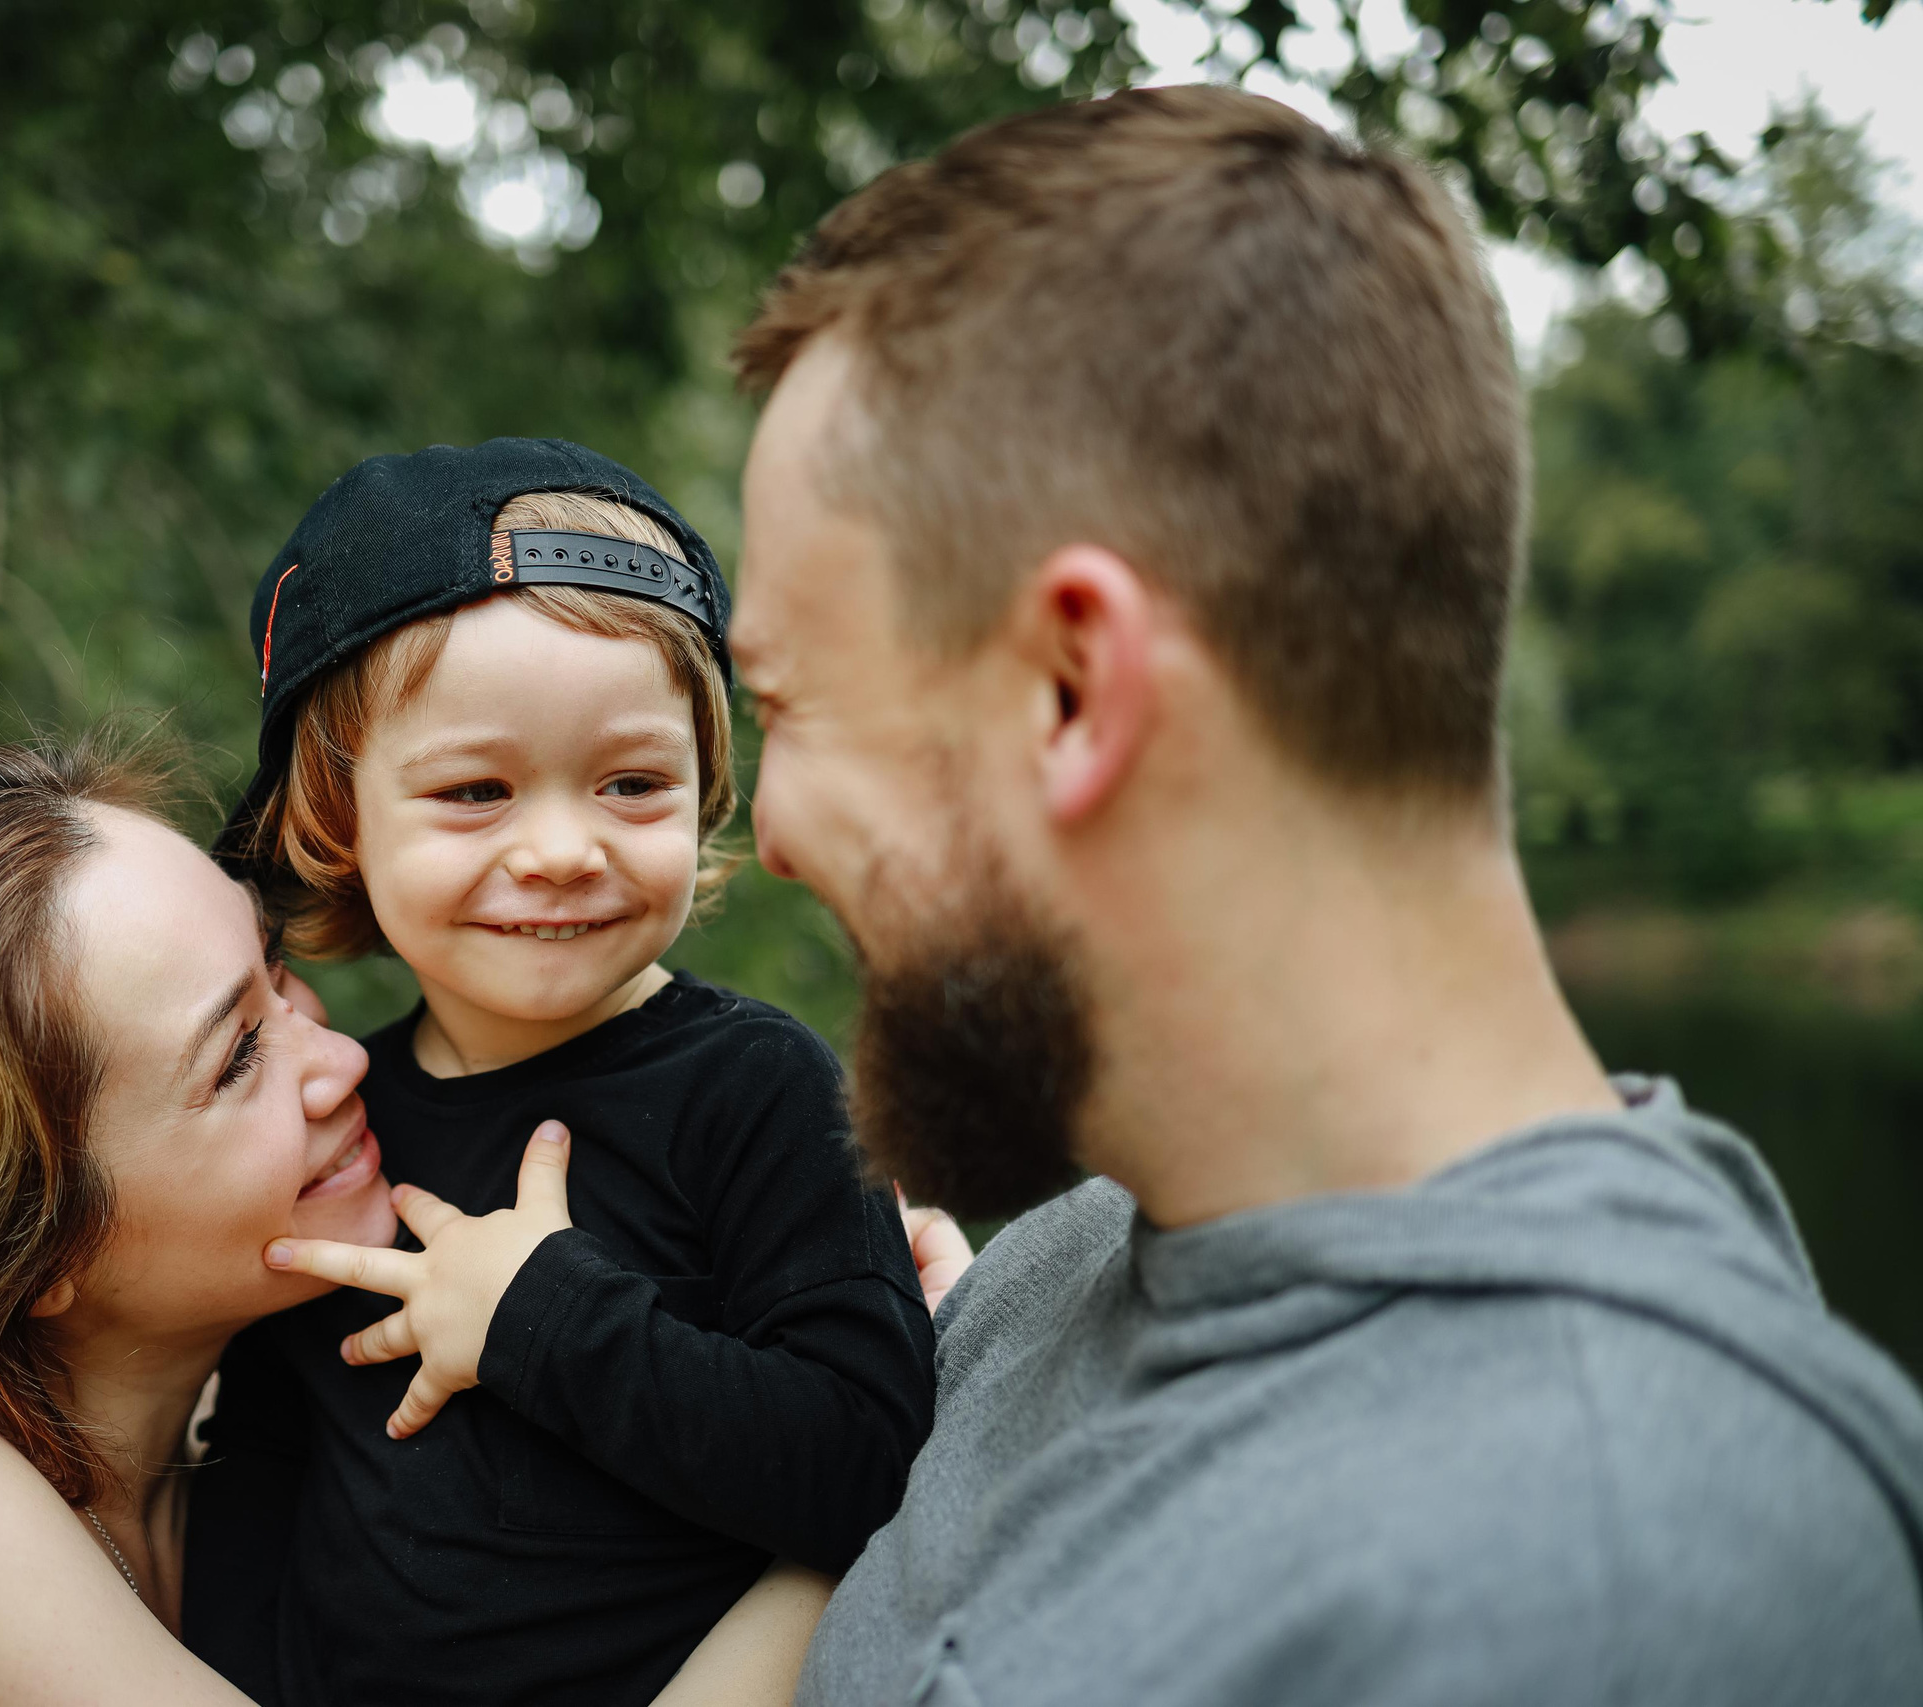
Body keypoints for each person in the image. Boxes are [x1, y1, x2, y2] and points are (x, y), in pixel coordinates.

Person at [715, 86, 1923, 1706]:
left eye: (785, 707)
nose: (768, 828)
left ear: (1075, 687)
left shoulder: (1607, 1581)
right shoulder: (1069, 1257)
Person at [0, 739, 842, 1707]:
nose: (335, 1060)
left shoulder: (253, 1435)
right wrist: (859, 1517)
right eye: (235, 1059)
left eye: (282, 979)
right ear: (26, 1242)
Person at [185, 438, 939, 1707]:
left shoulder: (761, 1092)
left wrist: (546, 1322)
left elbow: (872, 1462)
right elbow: (262, 1479)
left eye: (632, 783)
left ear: (705, 790)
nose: (559, 848)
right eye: (476, 790)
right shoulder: (335, 1128)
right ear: (338, 823)